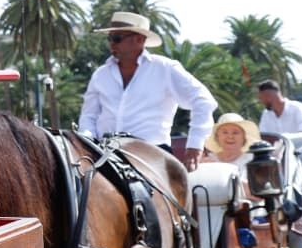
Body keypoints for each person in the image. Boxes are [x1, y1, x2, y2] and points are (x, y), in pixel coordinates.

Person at [77, 11, 217, 170]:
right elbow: (89, 116)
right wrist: (85, 144)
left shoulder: (164, 68)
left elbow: (204, 101)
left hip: (153, 155)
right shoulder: (100, 75)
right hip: (105, 155)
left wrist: (195, 146)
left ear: (139, 39)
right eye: (110, 38)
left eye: (116, 38)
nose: (112, 44)